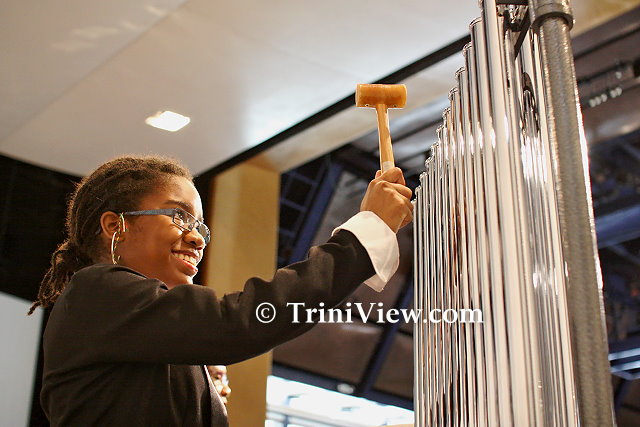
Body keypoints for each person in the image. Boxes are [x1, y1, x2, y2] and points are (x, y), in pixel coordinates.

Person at [28, 155, 413, 426]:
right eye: (179, 216)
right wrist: (361, 238)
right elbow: (242, 320)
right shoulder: (96, 291)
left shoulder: (151, 336)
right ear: (116, 226)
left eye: (200, 225)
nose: (197, 238)